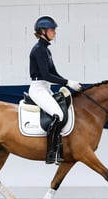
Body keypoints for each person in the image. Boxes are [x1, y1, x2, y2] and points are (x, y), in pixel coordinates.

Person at [28, 16, 82, 164]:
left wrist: (69, 83)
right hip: (38, 89)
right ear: (43, 31)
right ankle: (52, 152)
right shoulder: (38, 50)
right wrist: (67, 82)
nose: (55, 33)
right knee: (57, 114)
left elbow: (54, 73)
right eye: (52, 30)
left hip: (46, 88)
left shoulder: (46, 50)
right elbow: (46, 75)